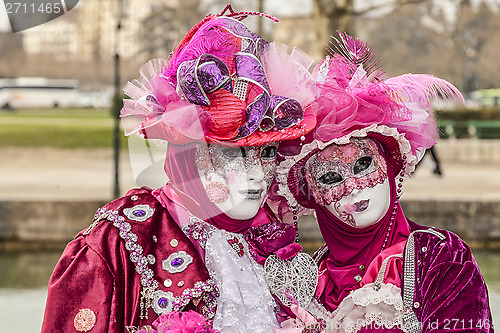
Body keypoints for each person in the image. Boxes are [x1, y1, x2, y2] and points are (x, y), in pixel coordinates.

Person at [41, 7, 318, 333]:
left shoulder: (270, 238)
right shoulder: (120, 243)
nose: (258, 174)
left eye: (268, 152)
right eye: (233, 154)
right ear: (187, 151)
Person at [274, 33, 493, 332]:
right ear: (313, 196)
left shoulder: (441, 258)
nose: (353, 186)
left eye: (363, 165)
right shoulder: (310, 279)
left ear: (391, 168)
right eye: (330, 177)